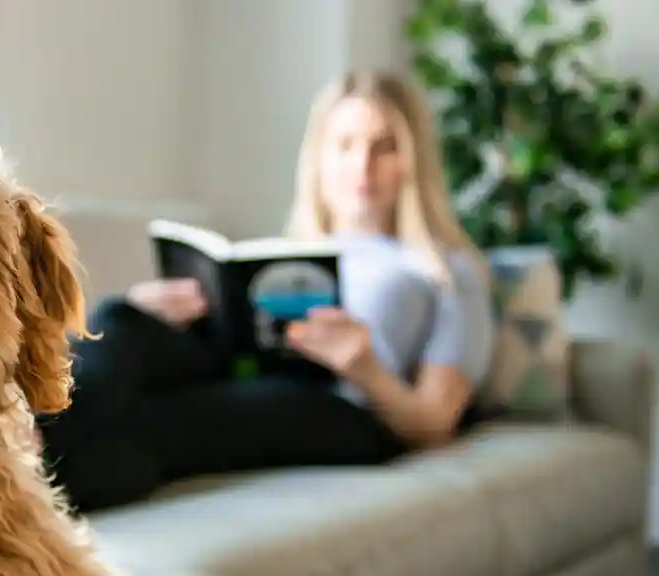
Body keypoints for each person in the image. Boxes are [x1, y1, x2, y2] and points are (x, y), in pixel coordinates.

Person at [37, 71, 495, 513]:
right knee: (120, 318)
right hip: (249, 371)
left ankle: (17, 473)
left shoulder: (447, 269)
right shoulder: (296, 250)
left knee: (166, 420)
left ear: (414, 161)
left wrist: (366, 368)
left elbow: (434, 424)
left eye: (385, 147)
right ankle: (22, 441)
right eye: (345, 145)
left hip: (346, 409)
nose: (362, 165)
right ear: (320, 158)